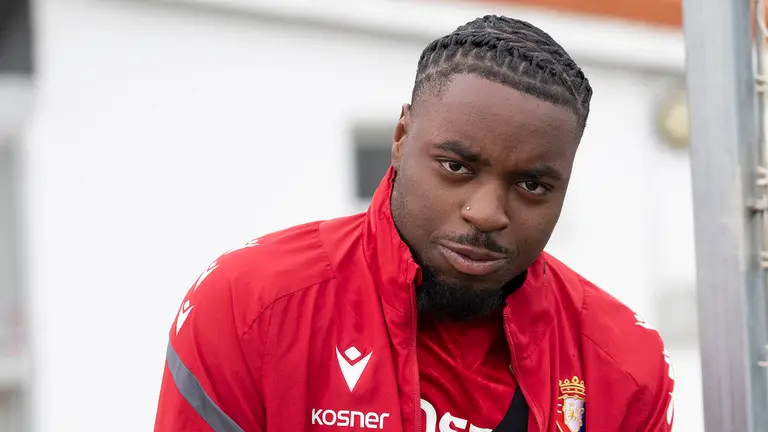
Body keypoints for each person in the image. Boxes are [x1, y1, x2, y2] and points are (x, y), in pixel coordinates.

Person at [154, 15, 675, 432]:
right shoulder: (252, 305)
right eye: (456, 167)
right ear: (402, 137)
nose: (487, 213)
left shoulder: (624, 364)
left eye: (532, 186)